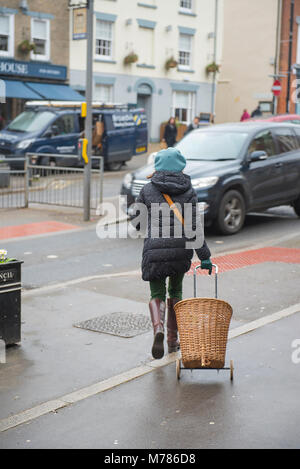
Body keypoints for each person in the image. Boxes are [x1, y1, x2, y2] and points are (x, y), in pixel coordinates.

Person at [136, 147, 212, 359]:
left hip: (155, 251)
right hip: (180, 251)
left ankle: (157, 327)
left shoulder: (148, 189)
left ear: (158, 166)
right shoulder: (188, 191)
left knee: (156, 293)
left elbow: (137, 222)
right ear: (181, 166)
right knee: (175, 291)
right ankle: (172, 339)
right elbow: (194, 228)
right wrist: (205, 256)